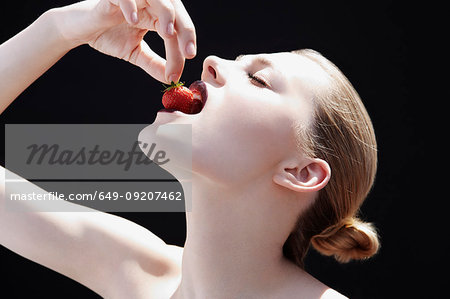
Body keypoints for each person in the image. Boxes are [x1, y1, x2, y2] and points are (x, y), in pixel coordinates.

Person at [0, 0, 379, 298]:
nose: (212, 62)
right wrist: (61, 28)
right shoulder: (137, 271)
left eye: (258, 80)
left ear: (301, 172)